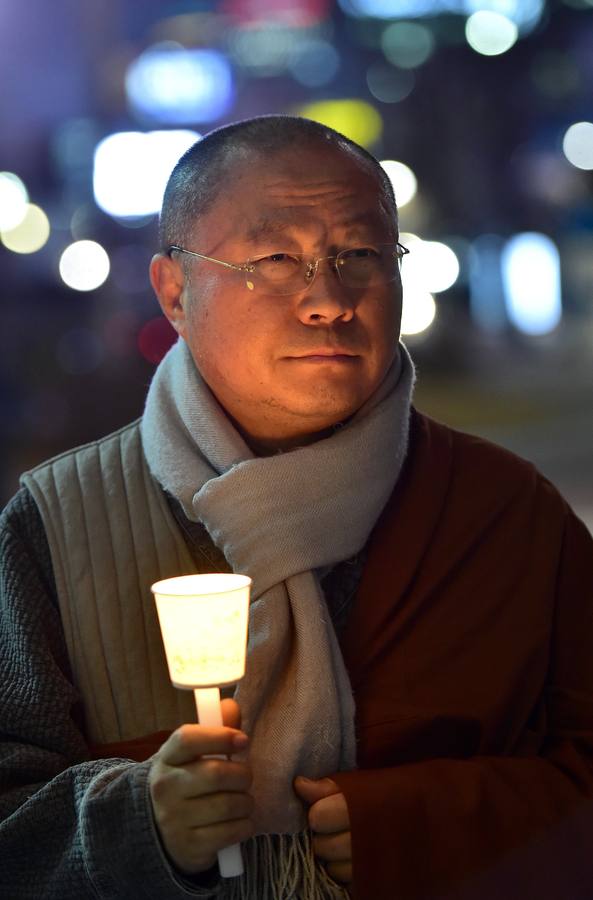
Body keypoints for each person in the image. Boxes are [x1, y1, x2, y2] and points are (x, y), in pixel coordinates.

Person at [1, 115, 592, 900]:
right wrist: (135, 825)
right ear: (174, 290)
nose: (327, 299)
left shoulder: (504, 512)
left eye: (359, 255)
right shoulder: (59, 521)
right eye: (276, 259)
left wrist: (429, 825)